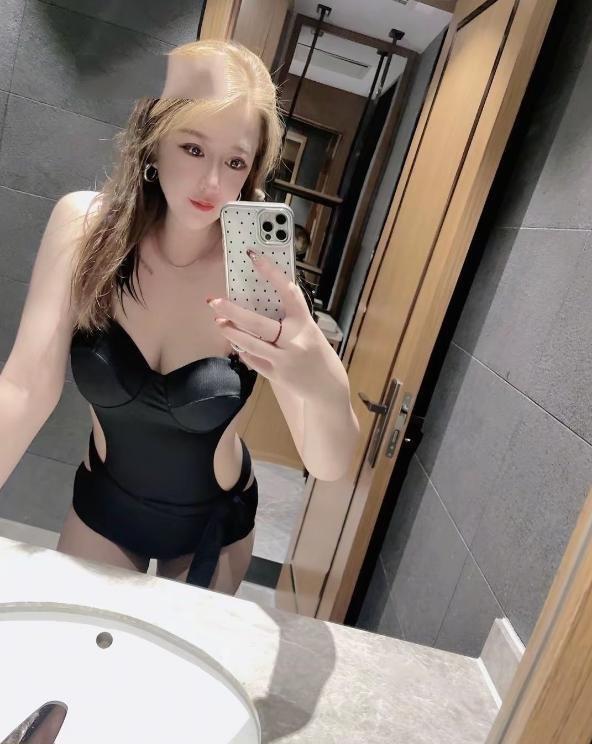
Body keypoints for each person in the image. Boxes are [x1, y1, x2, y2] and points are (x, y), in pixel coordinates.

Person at [0, 40, 360, 595]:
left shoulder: (258, 274)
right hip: (105, 506)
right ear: (155, 141)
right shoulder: (85, 229)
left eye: (235, 162)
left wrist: (327, 385)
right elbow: (24, 388)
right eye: (193, 148)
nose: (212, 184)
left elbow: (327, 464)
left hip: (210, 529)